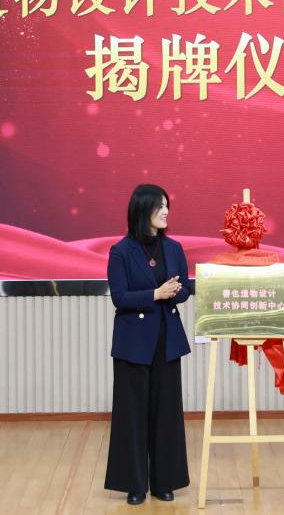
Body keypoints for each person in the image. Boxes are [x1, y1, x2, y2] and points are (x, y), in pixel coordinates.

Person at [105, 184, 192, 505]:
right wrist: (156, 294)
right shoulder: (121, 251)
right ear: (143, 210)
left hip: (166, 340)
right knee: (132, 415)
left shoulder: (174, 248)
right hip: (133, 343)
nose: (166, 211)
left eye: (167, 206)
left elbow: (186, 289)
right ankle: (135, 485)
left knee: (166, 413)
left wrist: (175, 291)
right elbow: (120, 297)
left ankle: (164, 482)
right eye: (160, 206)